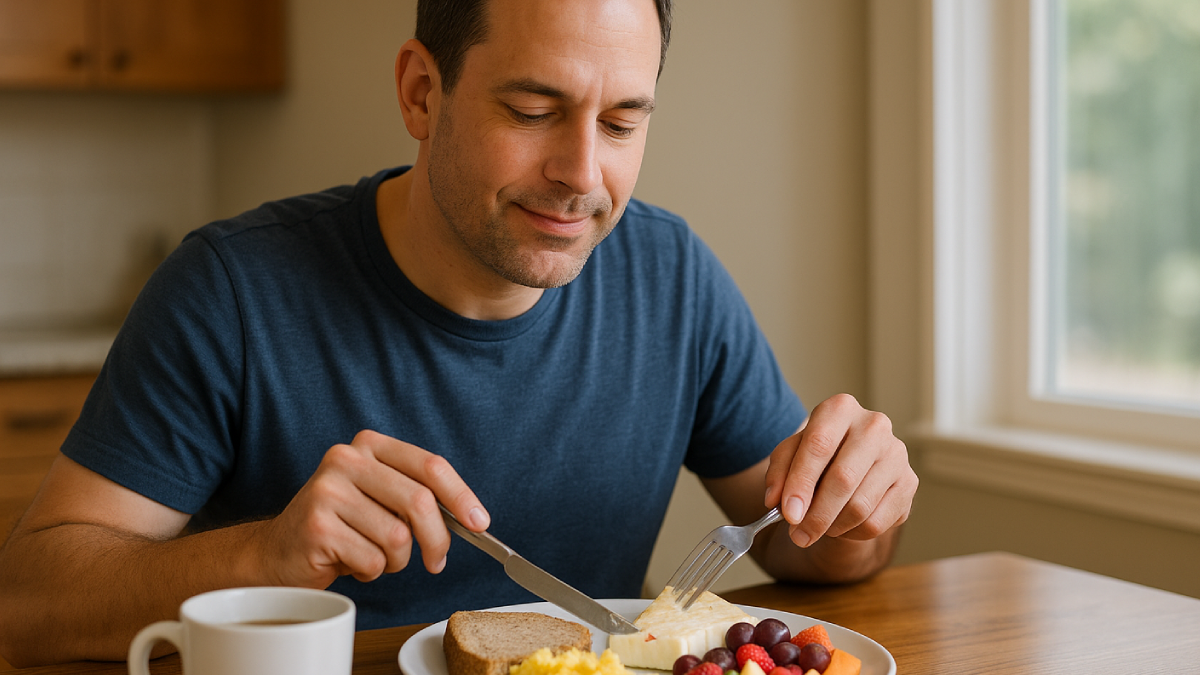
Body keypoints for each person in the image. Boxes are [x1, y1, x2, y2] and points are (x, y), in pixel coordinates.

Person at [0, 0, 917, 667]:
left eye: (623, 120)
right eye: (532, 112)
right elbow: (27, 601)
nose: (581, 174)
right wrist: (263, 557)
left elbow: (813, 551)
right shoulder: (232, 290)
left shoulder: (672, 276)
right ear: (420, 93)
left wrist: (855, 509)